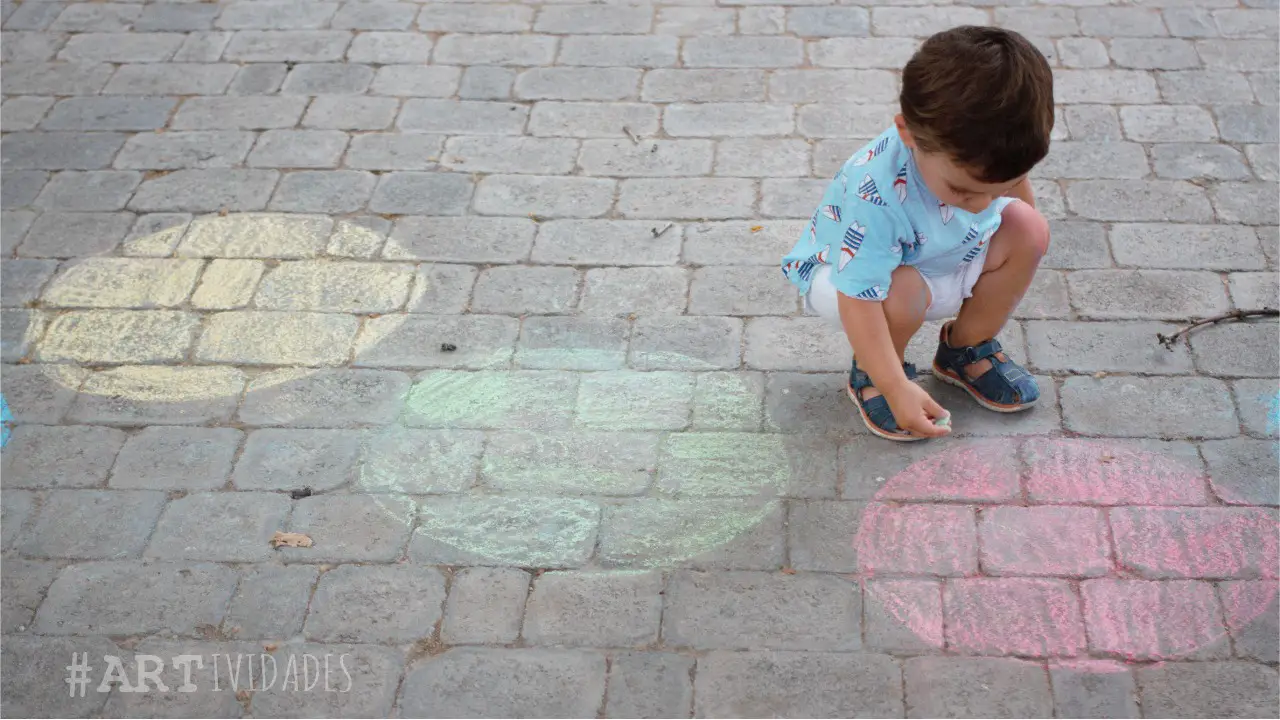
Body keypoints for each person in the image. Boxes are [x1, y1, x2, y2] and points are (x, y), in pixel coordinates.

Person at [781, 25, 1053, 441]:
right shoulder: (876, 193)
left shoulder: (985, 153)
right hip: (849, 281)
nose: (984, 205)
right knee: (902, 290)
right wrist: (895, 387)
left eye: (998, 188)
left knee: (1029, 228)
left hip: (943, 253)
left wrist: (1015, 239)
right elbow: (858, 297)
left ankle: (965, 350)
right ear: (908, 132)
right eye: (963, 190)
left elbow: (1007, 196)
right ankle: (874, 373)